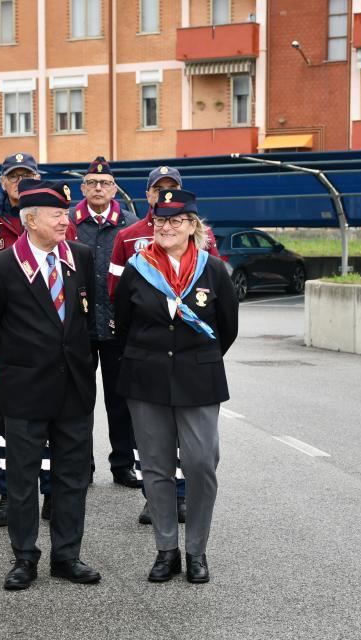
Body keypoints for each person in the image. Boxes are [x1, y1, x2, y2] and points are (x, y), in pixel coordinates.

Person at [0, 179, 100, 591]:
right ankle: (24, 557)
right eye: (57, 214)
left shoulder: (80, 257)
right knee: (23, 480)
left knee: (71, 477)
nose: (66, 220)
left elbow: (87, 321)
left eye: (66, 213)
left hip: (75, 390)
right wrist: (17, 364)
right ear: (30, 220)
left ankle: (67, 555)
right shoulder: (2, 266)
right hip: (24, 391)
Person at [112, 189, 238, 584]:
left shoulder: (213, 269)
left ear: (192, 226)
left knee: (201, 465)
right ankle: (166, 550)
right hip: (146, 379)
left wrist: (195, 358)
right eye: (160, 221)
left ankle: (196, 550)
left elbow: (227, 329)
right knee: (156, 467)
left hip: (199, 380)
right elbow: (124, 323)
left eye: (176, 221)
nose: (166, 227)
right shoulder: (137, 267)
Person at [107, 165, 220, 524]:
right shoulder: (129, 237)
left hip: (190, 361)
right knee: (151, 438)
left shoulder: (205, 243)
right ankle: (153, 496)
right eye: (159, 189)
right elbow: (118, 299)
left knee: (192, 444)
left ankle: (182, 494)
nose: (164, 195)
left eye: (172, 188)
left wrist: (200, 352)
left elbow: (220, 315)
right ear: (149, 195)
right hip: (149, 355)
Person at [0, 153, 67, 527]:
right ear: (4, 181)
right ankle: (10, 494)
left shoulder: (57, 224)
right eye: (14, 176)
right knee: (6, 427)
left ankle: (53, 493)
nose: (20, 181)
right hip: (5, 349)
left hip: (51, 351)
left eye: (28, 175)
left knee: (54, 426)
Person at [70, 156, 140, 489]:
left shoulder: (129, 223)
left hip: (116, 327)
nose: (99, 188)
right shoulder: (68, 221)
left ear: (114, 188)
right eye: (92, 183)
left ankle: (123, 463)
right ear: (83, 188)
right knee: (79, 400)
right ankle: (82, 465)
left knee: (120, 399)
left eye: (105, 183)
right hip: (78, 328)